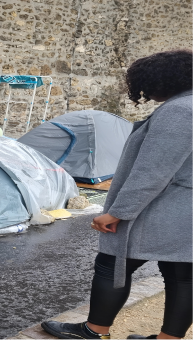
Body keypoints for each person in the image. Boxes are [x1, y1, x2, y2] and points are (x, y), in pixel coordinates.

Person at [42, 49, 193, 340]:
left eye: (145, 87)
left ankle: (94, 331)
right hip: (184, 210)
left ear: (162, 82)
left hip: (163, 208)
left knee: (112, 263)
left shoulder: (180, 111)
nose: (145, 94)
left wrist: (118, 212)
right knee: (183, 274)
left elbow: (153, 171)